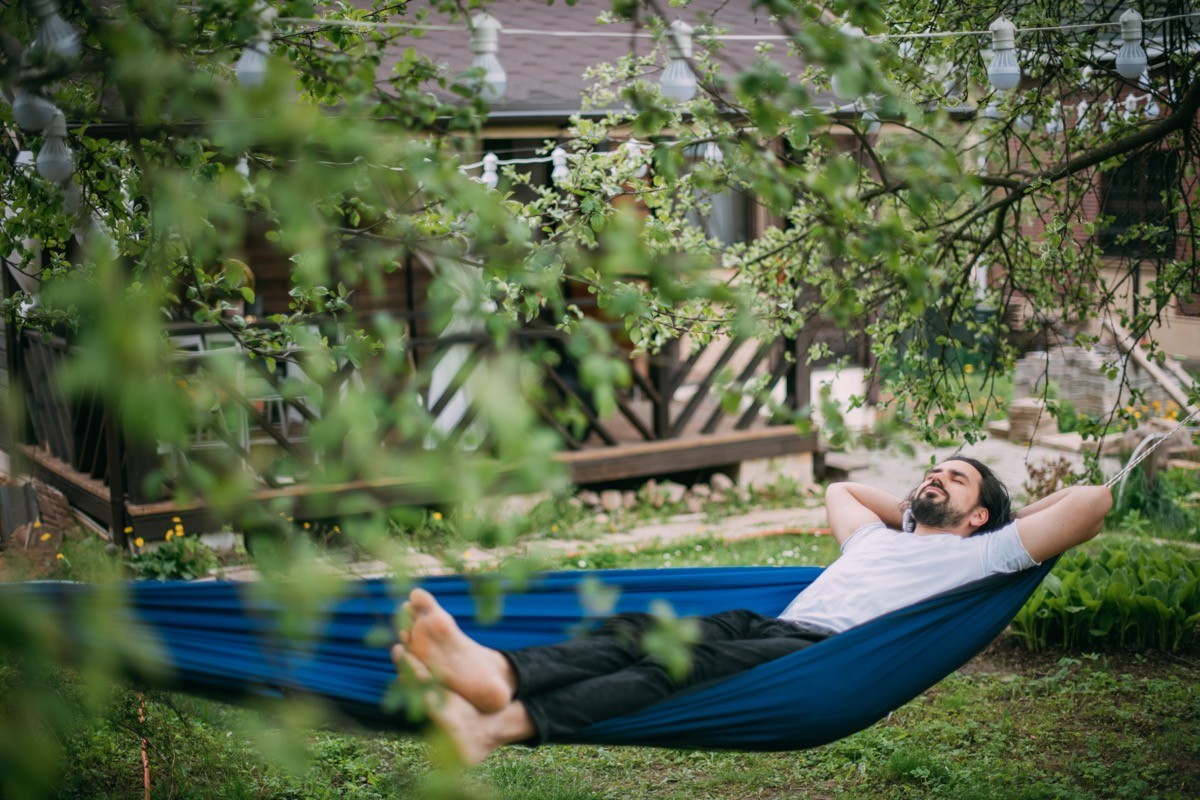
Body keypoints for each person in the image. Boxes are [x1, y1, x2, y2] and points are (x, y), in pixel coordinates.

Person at [392, 457, 1112, 764]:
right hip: (768, 626)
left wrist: (997, 522)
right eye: (932, 468)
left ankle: (502, 722)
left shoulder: (980, 556)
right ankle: (496, 673)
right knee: (643, 631)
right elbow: (841, 493)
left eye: (953, 479)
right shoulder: (876, 540)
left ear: (979, 513)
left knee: (676, 667)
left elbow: (1092, 503)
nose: (933, 477)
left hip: (825, 656)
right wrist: (915, 507)